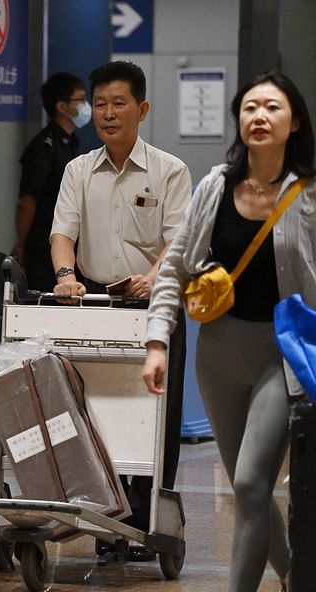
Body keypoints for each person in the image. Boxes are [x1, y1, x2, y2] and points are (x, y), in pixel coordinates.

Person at [142, 71, 316, 592]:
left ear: (295, 122)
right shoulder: (215, 186)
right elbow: (174, 268)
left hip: (282, 355)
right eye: (250, 108)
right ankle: (297, 580)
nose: (259, 117)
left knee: (247, 481)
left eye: (272, 108)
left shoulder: (308, 194)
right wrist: (156, 341)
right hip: (218, 353)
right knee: (253, 494)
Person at [50, 61, 191, 561]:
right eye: (101, 105)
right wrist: (67, 277)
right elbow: (62, 233)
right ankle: (111, 522)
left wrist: (152, 278)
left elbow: (178, 244)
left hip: (156, 306)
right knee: (100, 414)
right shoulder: (77, 169)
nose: (108, 114)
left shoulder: (170, 171)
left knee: (155, 418)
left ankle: (150, 520)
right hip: (96, 303)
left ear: (142, 109)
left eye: (119, 104)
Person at [11, 72, 90, 292]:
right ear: (62, 107)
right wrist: (22, 244)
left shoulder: (70, 143)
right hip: (43, 243)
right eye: (81, 100)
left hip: (70, 240)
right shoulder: (43, 147)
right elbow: (27, 201)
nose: (87, 106)